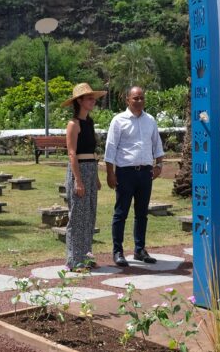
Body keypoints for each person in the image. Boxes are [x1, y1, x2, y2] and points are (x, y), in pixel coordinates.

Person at [104, 86, 164, 267]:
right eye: (135, 98)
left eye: (141, 98)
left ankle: (139, 249)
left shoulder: (150, 120)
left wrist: (159, 165)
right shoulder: (118, 120)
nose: (139, 101)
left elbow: (157, 144)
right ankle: (118, 251)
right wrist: (110, 173)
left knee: (142, 213)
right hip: (125, 173)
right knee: (121, 213)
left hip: (145, 173)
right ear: (127, 100)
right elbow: (110, 147)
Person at [61, 83, 106, 272]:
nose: (92, 101)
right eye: (89, 98)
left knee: (89, 216)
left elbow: (91, 152)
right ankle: (74, 260)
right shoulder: (74, 124)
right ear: (79, 101)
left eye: (93, 98)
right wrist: (78, 180)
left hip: (90, 170)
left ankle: (86, 257)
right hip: (78, 172)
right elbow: (72, 154)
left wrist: (95, 178)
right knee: (77, 217)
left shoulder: (90, 122)